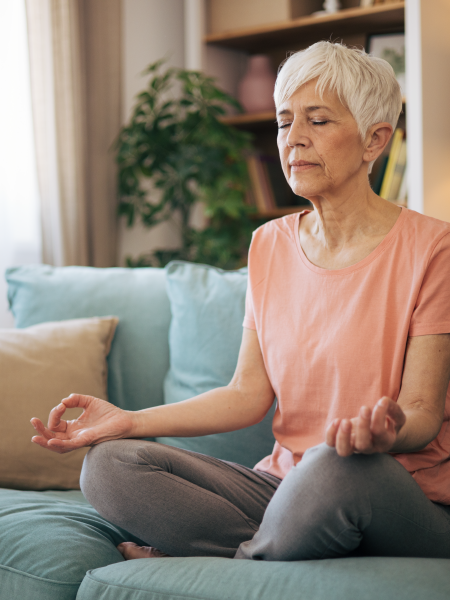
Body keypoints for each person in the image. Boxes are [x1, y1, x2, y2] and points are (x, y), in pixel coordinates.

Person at [31, 41, 450, 561]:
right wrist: (129, 420)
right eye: (283, 122)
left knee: (333, 466)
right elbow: (246, 393)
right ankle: (276, 548)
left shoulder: (434, 247)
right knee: (111, 465)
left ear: (374, 140)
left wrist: (385, 436)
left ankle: (238, 563)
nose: (293, 140)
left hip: (388, 489)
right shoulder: (268, 244)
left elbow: (424, 413)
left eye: (317, 121)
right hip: (283, 490)